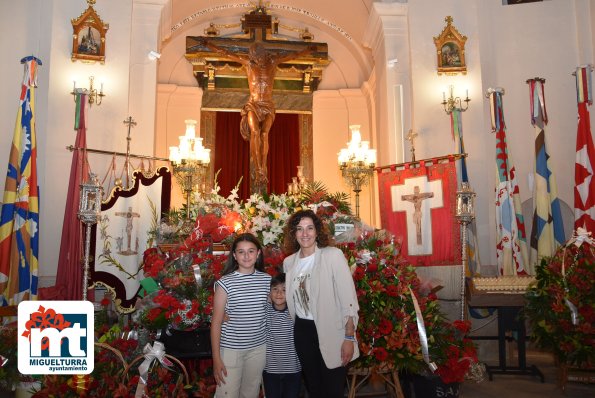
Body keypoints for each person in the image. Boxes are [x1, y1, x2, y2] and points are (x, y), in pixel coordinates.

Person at [198, 37, 315, 189]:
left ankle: (263, 167)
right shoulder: (248, 64)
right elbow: (226, 53)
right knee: (255, 132)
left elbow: (292, 56)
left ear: (264, 54)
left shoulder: (272, 63)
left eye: (259, 55)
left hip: (267, 105)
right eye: (255, 56)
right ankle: (259, 167)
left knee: (264, 133)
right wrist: (209, 45)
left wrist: (307, 50)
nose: (257, 58)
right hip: (253, 104)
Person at [282, 209, 359, 398]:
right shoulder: (289, 262)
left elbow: (348, 299)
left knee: (333, 389)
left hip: (332, 330)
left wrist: (349, 337)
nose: (305, 233)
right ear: (294, 233)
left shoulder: (332, 255)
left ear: (317, 231)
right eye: (299, 229)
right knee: (314, 388)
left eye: (310, 228)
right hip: (302, 331)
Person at [210, 233, 272, 398]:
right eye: (241, 252)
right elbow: (216, 323)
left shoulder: (267, 281)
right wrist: (216, 358)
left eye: (251, 251)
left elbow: (274, 310)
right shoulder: (225, 283)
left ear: (258, 254)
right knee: (227, 393)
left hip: (258, 349)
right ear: (234, 255)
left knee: (250, 393)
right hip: (231, 350)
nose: (246, 256)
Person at [262, 273, 302, 398]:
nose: (279, 293)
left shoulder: (295, 311)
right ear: (269, 292)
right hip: (270, 370)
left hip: (293, 369)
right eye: (275, 289)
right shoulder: (266, 309)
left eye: (284, 290)